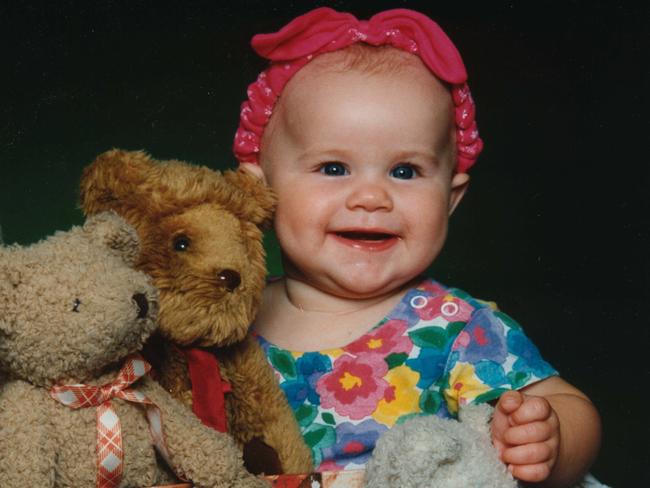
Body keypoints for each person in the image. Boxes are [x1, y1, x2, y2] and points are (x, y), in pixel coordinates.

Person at [233, 7, 601, 487]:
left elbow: (572, 406)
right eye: (333, 168)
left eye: (405, 171)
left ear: (450, 197)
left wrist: (546, 437)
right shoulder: (227, 319)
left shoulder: (454, 330)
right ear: (258, 191)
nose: (371, 197)